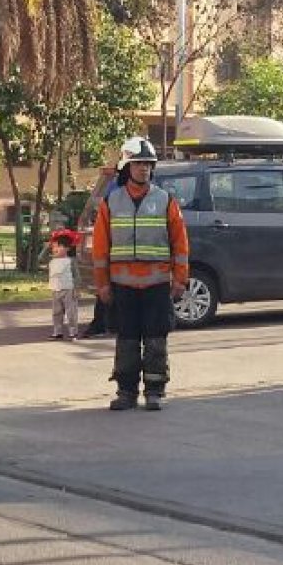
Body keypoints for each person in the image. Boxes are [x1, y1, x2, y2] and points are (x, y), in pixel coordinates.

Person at [92, 136, 189, 412]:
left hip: (157, 284)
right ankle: (126, 391)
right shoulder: (111, 202)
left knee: (156, 339)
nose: (143, 169)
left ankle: (155, 391)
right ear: (126, 167)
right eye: (138, 164)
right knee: (127, 339)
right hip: (122, 285)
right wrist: (102, 285)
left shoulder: (165, 200)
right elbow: (101, 247)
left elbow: (180, 243)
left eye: (148, 164)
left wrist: (180, 279)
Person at [47, 230, 79, 340]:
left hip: (68, 289)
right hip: (56, 289)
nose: (55, 249)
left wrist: (76, 289)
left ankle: (73, 332)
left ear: (67, 248)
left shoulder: (70, 261)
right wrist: (46, 247)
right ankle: (57, 331)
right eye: (54, 247)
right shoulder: (52, 261)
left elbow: (76, 276)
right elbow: (40, 258)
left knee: (71, 312)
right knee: (56, 312)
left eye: (59, 246)